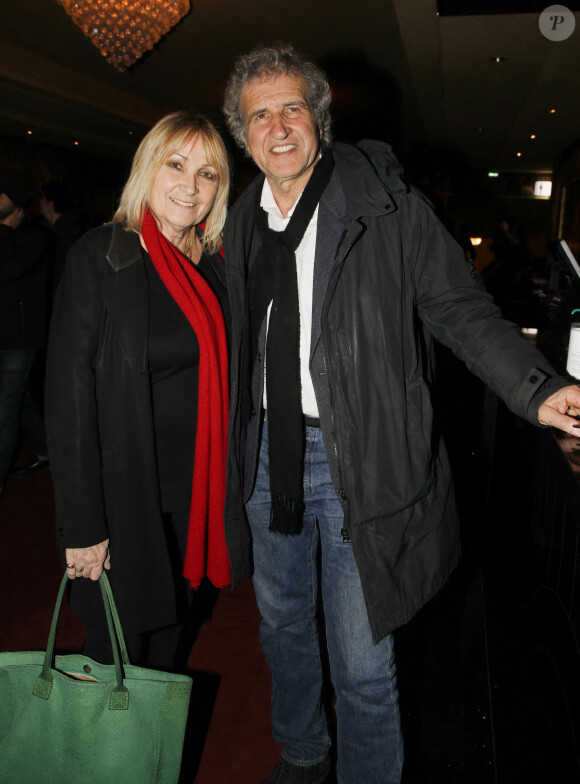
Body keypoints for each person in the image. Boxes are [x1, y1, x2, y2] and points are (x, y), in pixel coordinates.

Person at [220, 43, 580, 784]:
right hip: (263, 460)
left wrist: (537, 388)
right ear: (242, 133)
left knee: (364, 661)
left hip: (368, 460)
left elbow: (460, 308)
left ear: (318, 117)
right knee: (283, 626)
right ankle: (302, 747)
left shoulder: (383, 205)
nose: (278, 127)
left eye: (293, 107)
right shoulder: (238, 222)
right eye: (260, 115)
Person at [46, 111, 233, 671]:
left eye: (207, 174)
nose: (190, 185)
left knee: (169, 651)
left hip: (197, 499)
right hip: (125, 499)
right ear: (148, 168)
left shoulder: (218, 268)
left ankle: (151, 762)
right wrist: (83, 525)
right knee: (115, 660)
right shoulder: (103, 256)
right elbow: (68, 398)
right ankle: (100, 763)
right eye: (176, 165)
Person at [0, 174, 51, 501]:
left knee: (5, 412)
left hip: (19, 339)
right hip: (6, 336)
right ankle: (47, 449)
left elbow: (10, 269)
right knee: (19, 400)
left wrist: (4, 229)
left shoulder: (35, 237)